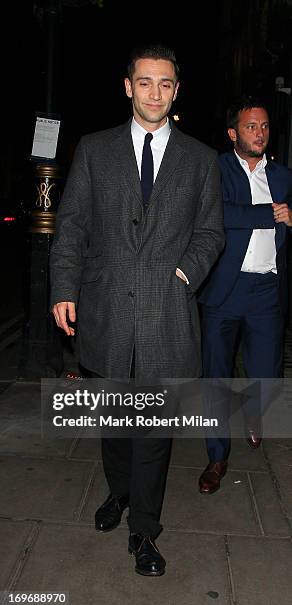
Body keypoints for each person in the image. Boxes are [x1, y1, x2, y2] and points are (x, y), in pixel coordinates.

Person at [50, 43, 224, 575]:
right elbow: (73, 224)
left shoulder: (199, 158)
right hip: (104, 310)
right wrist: (63, 288)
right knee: (114, 424)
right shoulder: (96, 149)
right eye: (145, 82)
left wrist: (184, 273)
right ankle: (119, 492)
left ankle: (144, 530)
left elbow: (211, 231)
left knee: (153, 433)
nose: (155, 92)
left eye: (165, 83)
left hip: (167, 313)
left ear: (176, 90)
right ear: (128, 87)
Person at [198, 94, 292, 494]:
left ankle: (255, 415)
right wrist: (269, 213)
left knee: (268, 372)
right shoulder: (214, 169)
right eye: (252, 126)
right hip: (225, 289)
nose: (260, 133)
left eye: (265, 126)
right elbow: (215, 215)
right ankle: (217, 457)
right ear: (233, 132)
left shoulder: (284, 176)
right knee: (216, 377)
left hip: (267, 289)